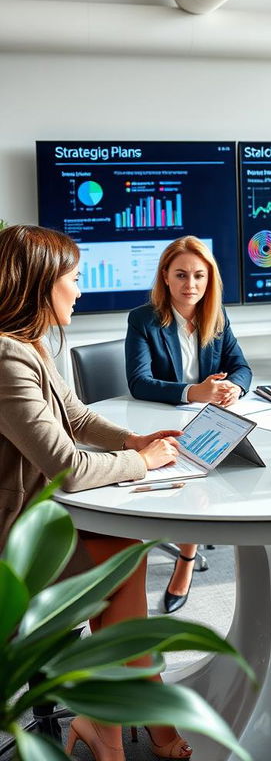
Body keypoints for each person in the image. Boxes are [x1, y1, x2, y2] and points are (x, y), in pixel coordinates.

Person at [0, 225, 191, 761]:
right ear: (41, 284)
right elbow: (65, 465)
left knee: (122, 557)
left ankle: (109, 722)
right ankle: (125, 720)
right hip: (14, 544)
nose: (81, 290)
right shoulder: (5, 359)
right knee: (121, 561)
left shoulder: (29, 346)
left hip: (46, 521)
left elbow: (77, 417)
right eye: (75, 279)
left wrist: (133, 439)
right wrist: (141, 462)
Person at [126, 235, 252, 613]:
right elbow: (139, 382)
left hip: (211, 419)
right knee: (197, 472)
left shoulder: (217, 315)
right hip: (164, 421)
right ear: (165, 276)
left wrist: (234, 389)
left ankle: (188, 552)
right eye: (181, 275)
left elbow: (244, 367)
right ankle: (186, 559)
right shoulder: (143, 319)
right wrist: (192, 392)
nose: (191, 285)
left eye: (199, 276)